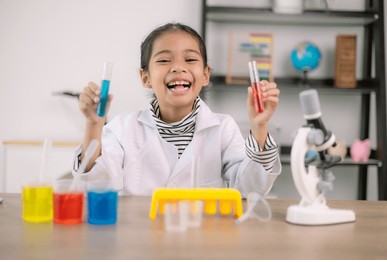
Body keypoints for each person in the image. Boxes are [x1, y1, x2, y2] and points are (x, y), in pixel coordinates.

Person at [73, 22, 281, 197]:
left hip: (200, 238)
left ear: (205, 75)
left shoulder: (223, 128)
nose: (178, 67)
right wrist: (94, 124)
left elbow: (251, 190)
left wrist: (259, 127)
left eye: (190, 59)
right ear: (145, 78)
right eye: (164, 60)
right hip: (139, 237)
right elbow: (95, 183)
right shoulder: (122, 128)